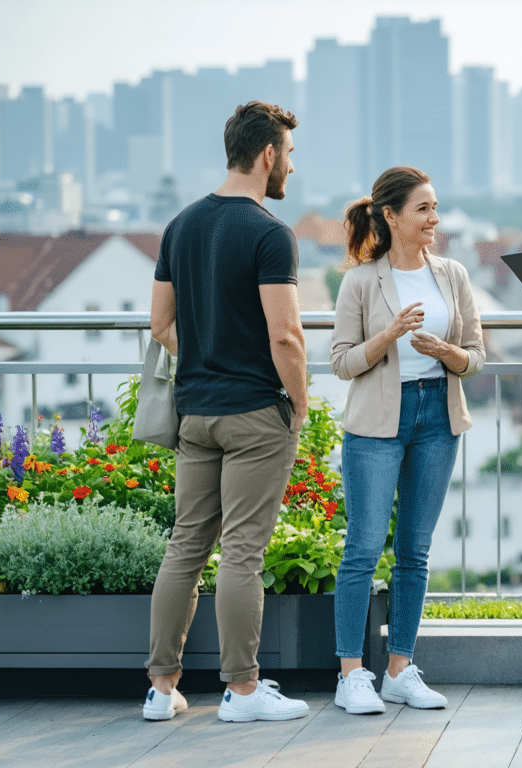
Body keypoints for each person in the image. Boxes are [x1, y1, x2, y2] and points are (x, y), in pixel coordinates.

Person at [145, 101, 311, 723]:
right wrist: (297, 399)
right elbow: (286, 336)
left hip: (196, 413)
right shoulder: (271, 234)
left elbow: (161, 323)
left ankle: (161, 690)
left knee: (185, 547)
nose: (291, 166)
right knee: (242, 552)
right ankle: (242, 692)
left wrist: (208, 354)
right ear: (268, 155)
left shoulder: (180, 226)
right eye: (289, 155)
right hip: (252, 415)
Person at [329, 166, 484, 715]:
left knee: (414, 551)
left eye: (436, 208)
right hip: (376, 424)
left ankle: (399, 668)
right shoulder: (360, 281)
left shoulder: (453, 274)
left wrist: (446, 352)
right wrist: (388, 336)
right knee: (363, 549)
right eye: (423, 210)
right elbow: (342, 363)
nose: (434, 220)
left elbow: (475, 357)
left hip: (437, 417)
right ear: (391, 216)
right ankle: (352, 673)